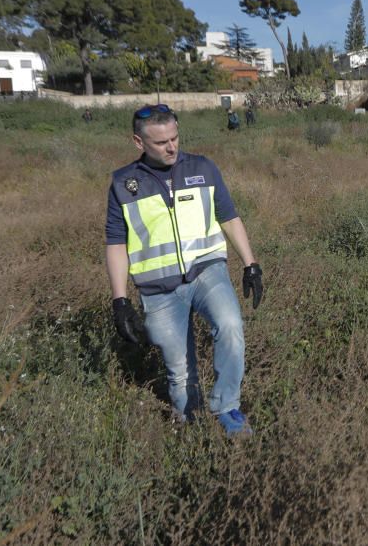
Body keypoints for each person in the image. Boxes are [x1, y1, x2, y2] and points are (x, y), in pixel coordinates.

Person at [105, 103, 264, 437]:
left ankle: (227, 408)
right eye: (162, 143)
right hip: (157, 290)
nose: (172, 147)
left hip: (207, 272)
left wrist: (251, 264)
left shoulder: (202, 167)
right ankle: (189, 424)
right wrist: (120, 301)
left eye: (175, 138)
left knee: (231, 326)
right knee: (179, 370)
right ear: (139, 142)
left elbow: (229, 218)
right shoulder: (123, 183)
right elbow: (117, 243)